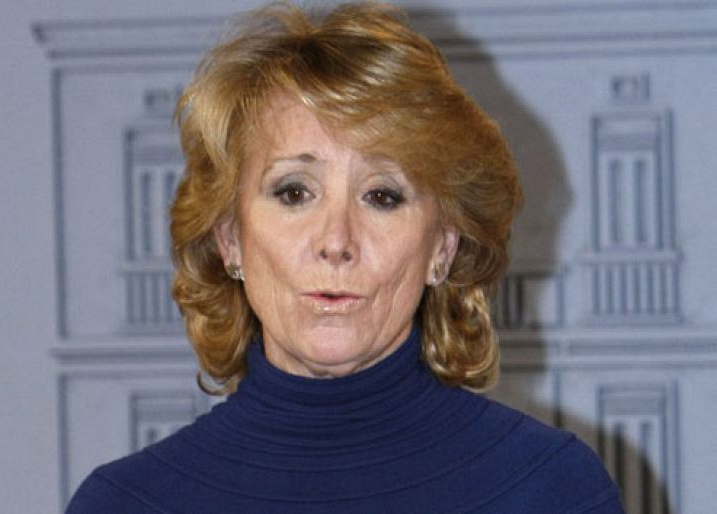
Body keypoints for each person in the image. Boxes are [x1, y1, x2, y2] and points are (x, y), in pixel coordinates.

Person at [66, 2, 624, 513]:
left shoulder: (551, 489)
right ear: (230, 238)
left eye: (382, 196)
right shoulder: (124, 504)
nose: (336, 241)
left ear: (443, 246)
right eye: (293, 192)